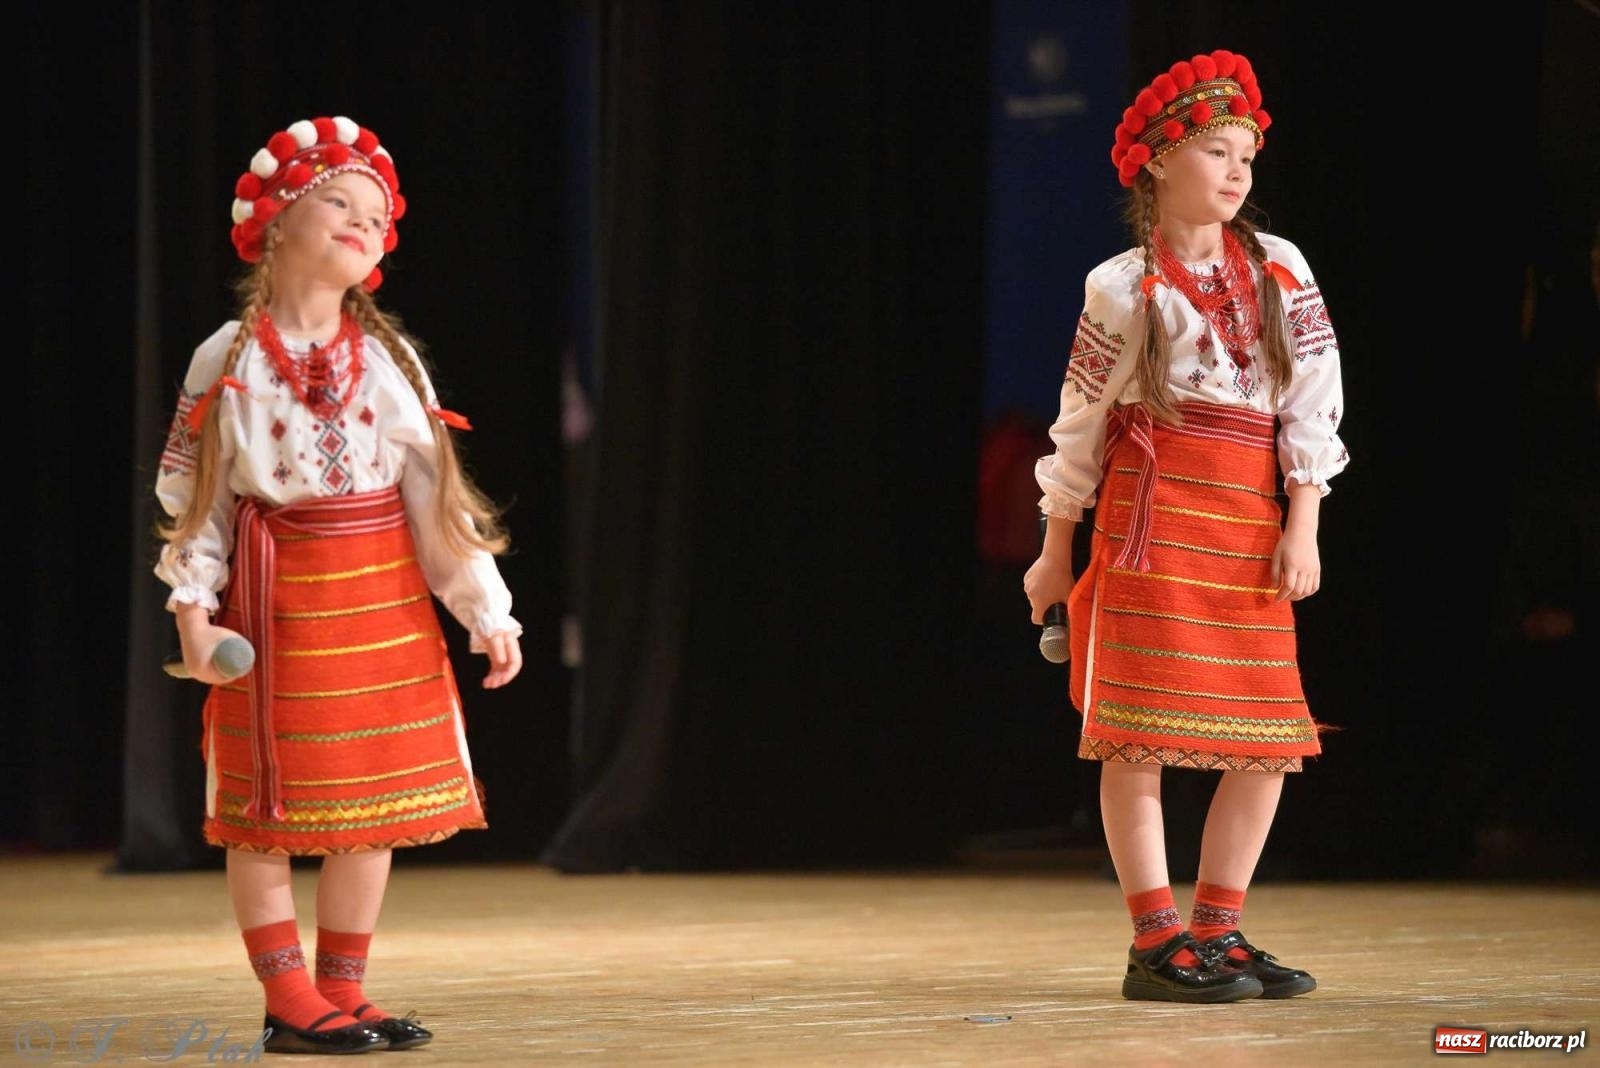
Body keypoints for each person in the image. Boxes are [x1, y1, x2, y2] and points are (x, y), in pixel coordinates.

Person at [155, 115, 524, 1053]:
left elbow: (433, 498)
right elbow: (194, 505)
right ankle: (287, 1002)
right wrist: (195, 616)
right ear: (277, 223)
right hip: (276, 602)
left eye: (376, 216)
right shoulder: (224, 359)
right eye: (338, 205)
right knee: (265, 817)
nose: (363, 226)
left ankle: (340, 989)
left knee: (372, 809)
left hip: (380, 597)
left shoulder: (392, 361)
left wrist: (484, 608)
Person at [1023, 50, 1348, 1003]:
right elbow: (1080, 421)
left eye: (1247, 152)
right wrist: (1053, 546)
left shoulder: (1280, 266)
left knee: (1266, 739)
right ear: (1161, 162)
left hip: (1246, 517)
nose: (1239, 169)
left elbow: (1312, 401)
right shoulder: (1122, 287)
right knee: (1138, 737)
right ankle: (1156, 941)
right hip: (1150, 523)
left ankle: (1219, 930)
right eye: (1217, 150)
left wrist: (1305, 521)